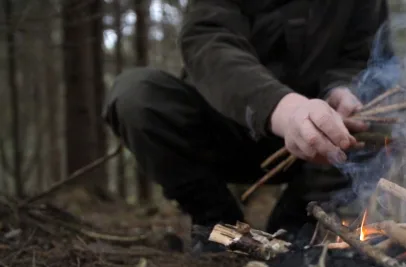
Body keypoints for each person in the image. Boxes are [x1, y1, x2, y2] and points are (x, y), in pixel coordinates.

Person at [103, 0, 390, 251]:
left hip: (315, 147)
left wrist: (342, 89)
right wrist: (282, 108)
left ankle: (296, 226)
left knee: (377, 123)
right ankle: (216, 223)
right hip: (221, 128)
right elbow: (209, 43)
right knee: (136, 96)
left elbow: (362, 56)